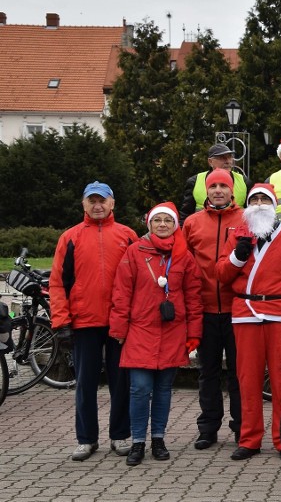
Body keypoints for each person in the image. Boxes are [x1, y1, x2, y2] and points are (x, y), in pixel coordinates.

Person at [216, 184, 281, 461]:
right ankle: (249, 439)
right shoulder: (237, 236)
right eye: (254, 199)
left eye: (264, 199)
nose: (259, 203)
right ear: (247, 205)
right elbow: (221, 274)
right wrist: (239, 255)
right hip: (245, 313)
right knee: (247, 380)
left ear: (273, 205)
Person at [110, 202, 204, 466]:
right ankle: (138, 441)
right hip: (140, 330)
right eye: (157, 220)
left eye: (168, 221)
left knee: (163, 389)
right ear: (148, 224)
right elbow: (121, 292)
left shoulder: (184, 256)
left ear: (175, 225)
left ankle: (159, 438)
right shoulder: (134, 252)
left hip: (173, 331)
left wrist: (194, 333)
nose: (162, 225)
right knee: (139, 388)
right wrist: (118, 328)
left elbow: (194, 296)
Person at [49, 181, 138, 461]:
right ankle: (86, 439)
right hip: (83, 321)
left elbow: (141, 281)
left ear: (113, 203)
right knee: (85, 383)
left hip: (119, 322)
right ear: (83, 204)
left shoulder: (128, 235)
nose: (97, 206)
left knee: (121, 382)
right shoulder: (70, 237)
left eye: (103, 201)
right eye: (92, 201)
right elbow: (57, 284)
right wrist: (61, 322)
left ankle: (120, 435)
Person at [183, 168, 244, 450]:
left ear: (232, 190)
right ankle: (208, 428)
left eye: (223, 185)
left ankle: (242, 427)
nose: (218, 190)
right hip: (204, 309)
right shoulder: (192, 223)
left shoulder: (245, 219)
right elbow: (183, 264)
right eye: (213, 186)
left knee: (238, 372)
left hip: (237, 311)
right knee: (207, 372)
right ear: (205, 191)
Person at [180, 143, 252, 222]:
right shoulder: (194, 181)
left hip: (234, 231)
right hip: (203, 231)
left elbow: (252, 213)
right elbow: (185, 215)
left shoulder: (244, 181)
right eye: (222, 158)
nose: (227, 161)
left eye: (229, 157)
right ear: (210, 162)